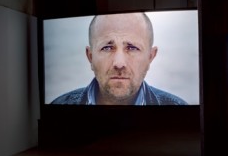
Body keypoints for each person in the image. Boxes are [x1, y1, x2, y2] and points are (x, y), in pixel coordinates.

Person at [50, 12, 188, 105]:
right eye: (107, 48)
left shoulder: (180, 111)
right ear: (90, 57)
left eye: (132, 48)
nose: (119, 63)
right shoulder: (58, 106)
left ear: (150, 57)